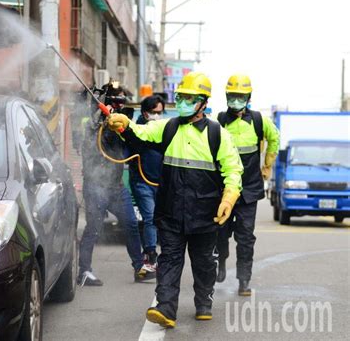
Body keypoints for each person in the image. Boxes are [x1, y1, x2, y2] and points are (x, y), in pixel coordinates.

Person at [107, 72, 243, 327]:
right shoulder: (168, 127)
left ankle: (204, 301)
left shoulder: (218, 134)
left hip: (205, 214)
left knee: (204, 263)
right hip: (170, 212)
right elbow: (140, 132)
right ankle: (166, 309)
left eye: (188, 98)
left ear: (203, 102)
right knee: (169, 259)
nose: (182, 102)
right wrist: (124, 123)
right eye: (180, 97)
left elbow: (233, 170)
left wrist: (229, 198)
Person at [77, 81, 156, 286]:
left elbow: (130, 144)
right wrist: (103, 121)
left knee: (130, 224)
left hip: (116, 186)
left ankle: (139, 267)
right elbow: (90, 143)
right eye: (117, 102)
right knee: (93, 228)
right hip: (96, 185)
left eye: (122, 102)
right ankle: (84, 271)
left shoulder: (120, 122)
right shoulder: (93, 123)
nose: (120, 107)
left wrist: (121, 127)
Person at [216, 74, 280, 295]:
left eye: (240, 97)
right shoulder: (220, 120)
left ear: (248, 97)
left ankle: (244, 280)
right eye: (232, 96)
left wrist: (268, 164)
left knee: (245, 237)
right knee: (220, 231)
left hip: (250, 189)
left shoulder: (260, 121)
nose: (236, 100)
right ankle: (221, 261)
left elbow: (275, 138)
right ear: (226, 96)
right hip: (224, 188)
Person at [127, 95, 165, 268]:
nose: (157, 116)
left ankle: (159, 253)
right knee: (149, 217)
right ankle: (151, 253)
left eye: (160, 112)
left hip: (161, 182)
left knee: (160, 218)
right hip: (142, 181)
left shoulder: (165, 129)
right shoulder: (136, 130)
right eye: (153, 112)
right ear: (145, 113)